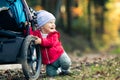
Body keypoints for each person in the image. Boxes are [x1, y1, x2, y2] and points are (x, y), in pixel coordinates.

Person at [30, 10, 72, 77]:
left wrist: (41, 41)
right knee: (51, 74)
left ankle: (64, 70)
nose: (53, 24)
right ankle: (58, 71)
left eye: (53, 23)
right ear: (42, 26)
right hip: (50, 62)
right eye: (50, 22)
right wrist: (26, 27)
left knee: (66, 63)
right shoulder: (37, 34)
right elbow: (30, 33)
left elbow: (50, 42)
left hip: (59, 55)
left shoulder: (54, 34)